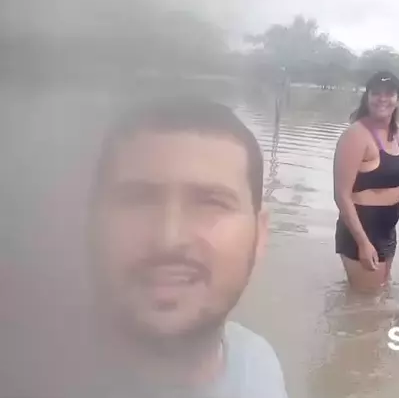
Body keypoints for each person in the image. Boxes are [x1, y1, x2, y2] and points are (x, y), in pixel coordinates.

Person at [85, 97, 288, 397]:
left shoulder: (257, 363)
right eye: (138, 200)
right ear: (91, 222)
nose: (169, 238)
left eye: (210, 203)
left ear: (260, 234)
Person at [333, 71, 399, 292]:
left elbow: (390, 174)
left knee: (380, 291)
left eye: (389, 93)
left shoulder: (397, 132)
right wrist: (363, 242)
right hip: (362, 229)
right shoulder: (356, 135)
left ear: (398, 98)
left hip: (387, 230)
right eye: (376, 93)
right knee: (367, 300)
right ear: (367, 97)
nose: (382, 99)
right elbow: (341, 195)